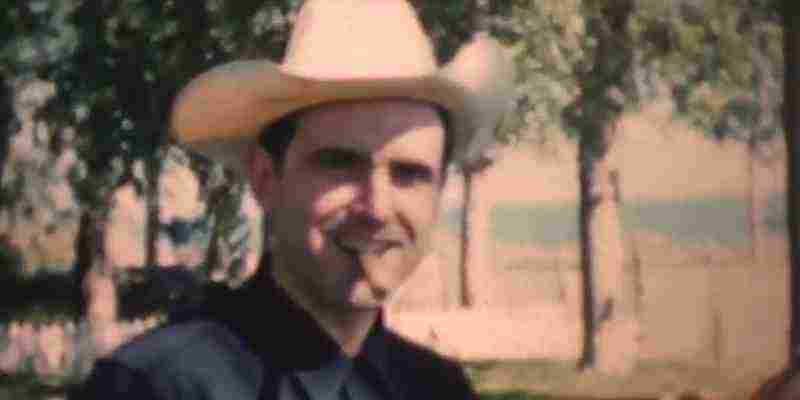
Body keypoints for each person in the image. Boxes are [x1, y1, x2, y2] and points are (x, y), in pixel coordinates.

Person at [76, 0, 514, 399]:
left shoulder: (437, 389)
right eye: (340, 164)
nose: (378, 208)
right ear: (266, 179)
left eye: (410, 174)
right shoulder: (158, 387)